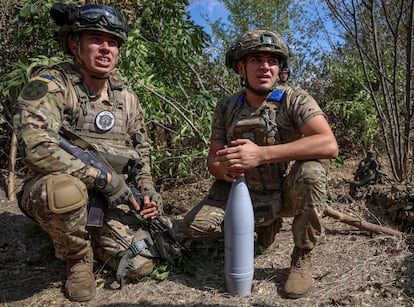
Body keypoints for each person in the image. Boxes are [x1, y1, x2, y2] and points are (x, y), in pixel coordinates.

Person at [13, 3, 165, 302]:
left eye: (113, 43)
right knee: (65, 193)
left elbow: (141, 152)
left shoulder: (127, 98)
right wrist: (104, 180)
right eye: (96, 39)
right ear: (75, 44)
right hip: (54, 188)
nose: (106, 49)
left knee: (140, 263)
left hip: (107, 198)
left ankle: (89, 232)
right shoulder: (52, 84)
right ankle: (78, 259)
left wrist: (148, 191)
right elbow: (38, 148)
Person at [182, 29, 338, 298]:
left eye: (272, 60)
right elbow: (212, 160)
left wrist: (261, 154)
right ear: (241, 67)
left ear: (279, 68)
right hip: (243, 194)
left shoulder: (294, 99)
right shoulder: (226, 107)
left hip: (285, 194)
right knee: (194, 227)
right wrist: (226, 167)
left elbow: (328, 145)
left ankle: (302, 255)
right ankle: (264, 227)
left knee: (312, 172)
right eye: (256, 59)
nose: (265, 66)